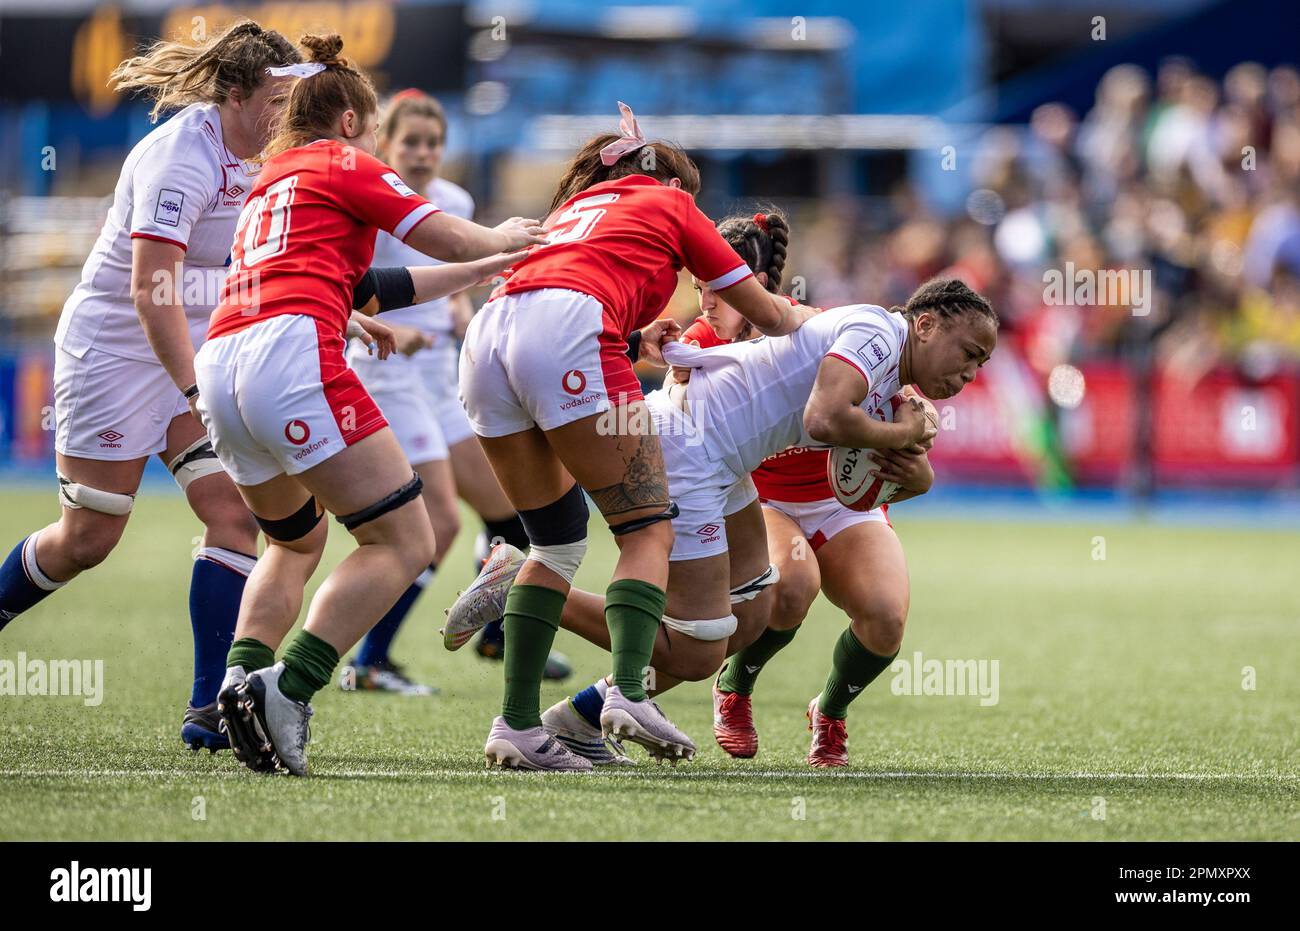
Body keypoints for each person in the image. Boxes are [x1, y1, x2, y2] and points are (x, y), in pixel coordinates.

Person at [451, 278, 997, 766]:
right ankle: (526, 588)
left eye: (981, 365)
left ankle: (577, 718)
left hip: (722, 463)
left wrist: (911, 450)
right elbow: (824, 419)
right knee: (697, 649)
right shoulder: (875, 333)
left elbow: (867, 471)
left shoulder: (884, 363)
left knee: (754, 610)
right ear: (924, 325)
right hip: (694, 454)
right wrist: (902, 435)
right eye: (969, 354)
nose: (971, 373)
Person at [194, 34, 546, 776]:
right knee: (405, 540)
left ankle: (237, 683)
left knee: (293, 542)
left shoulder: (272, 176)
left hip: (223, 364)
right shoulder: (345, 160)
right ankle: (289, 688)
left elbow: (376, 280)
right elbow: (439, 233)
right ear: (353, 121)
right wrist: (505, 237)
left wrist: (483, 265)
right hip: (289, 361)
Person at [448, 101, 813, 771]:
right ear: (673, 183)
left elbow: (558, 298)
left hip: (490, 335)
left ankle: (520, 726)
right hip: (564, 333)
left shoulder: (577, 212)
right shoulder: (672, 205)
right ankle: (625, 694)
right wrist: (865, 330)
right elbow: (768, 313)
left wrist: (634, 340)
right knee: (647, 534)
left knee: (555, 542)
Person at [0, 21, 300, 751]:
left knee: (234, 510)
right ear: (234, 94)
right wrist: (197, 392)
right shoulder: (178, 158)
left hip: (192, 345)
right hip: (117, 348)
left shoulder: (267, 154)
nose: (282, 114)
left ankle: (207, 711)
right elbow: (150, 291)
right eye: (273, 98)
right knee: (90, 536)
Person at [339, 89, 566, 695]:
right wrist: (403, 327)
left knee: (506, 510)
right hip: (384, 364)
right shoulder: (374, 198)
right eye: (409, 141)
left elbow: (456, 274)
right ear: (384, 145)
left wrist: (462, 313)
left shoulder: (456, 202)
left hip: (440, 371)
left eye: (432, 142)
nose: (422, 152)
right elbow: (353, 283)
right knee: (437, 517)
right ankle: (369, 662)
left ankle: (496, 631)